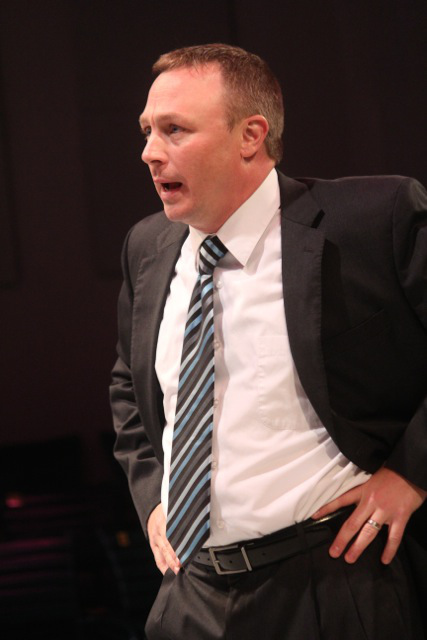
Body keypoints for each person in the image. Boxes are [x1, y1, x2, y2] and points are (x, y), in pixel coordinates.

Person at [110, 43, 427, 639]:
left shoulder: (371, 220)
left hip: (332, 581)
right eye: (148, 130)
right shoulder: (146, 246)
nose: (149, 152)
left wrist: (412, 473)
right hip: (191, 592)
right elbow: (129, 385)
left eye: (174, 130)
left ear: (250, 136)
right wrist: (153, 497)